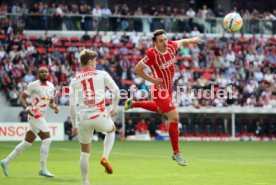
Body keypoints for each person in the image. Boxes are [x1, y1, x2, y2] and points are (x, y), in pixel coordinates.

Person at [124, 29, 202, 166]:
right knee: (174, 117)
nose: (165, 42)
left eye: (165, 39)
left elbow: (182, 41)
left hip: (168, 89)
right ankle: (176, 153)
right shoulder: (151, 54)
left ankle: (133, 104)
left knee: (161, 110)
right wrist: (152, 80)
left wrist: (192, 40)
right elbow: (137, 69)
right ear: (155, 42)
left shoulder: (171, 46)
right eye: (161, 41)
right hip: (158, 90)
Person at [69, 49, 119, 185]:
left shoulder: (74, 81)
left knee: (85, 152)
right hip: (100, 115)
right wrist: (113, 107)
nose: (96, 62)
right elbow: (116, 91)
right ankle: (105, 156)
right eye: (95, 60)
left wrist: (74, 125)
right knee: (111, 130)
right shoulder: (102, 74)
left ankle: (85, 182)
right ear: (90, 61)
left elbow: (72, 106)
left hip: (84, 119)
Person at [1, 67, 60, 177]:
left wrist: (55, 107)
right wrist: (27, 108)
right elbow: (22, 97)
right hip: (34, 113)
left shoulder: (51, 86)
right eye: (41, 72)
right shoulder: (33, 85)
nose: (44, 73)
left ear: (48, 73)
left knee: (27, 143)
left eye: (46, 71)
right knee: (47, 139)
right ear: (38, 74)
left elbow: (51, 103)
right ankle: (43, 169)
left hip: (42, 115)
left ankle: (6, 161)